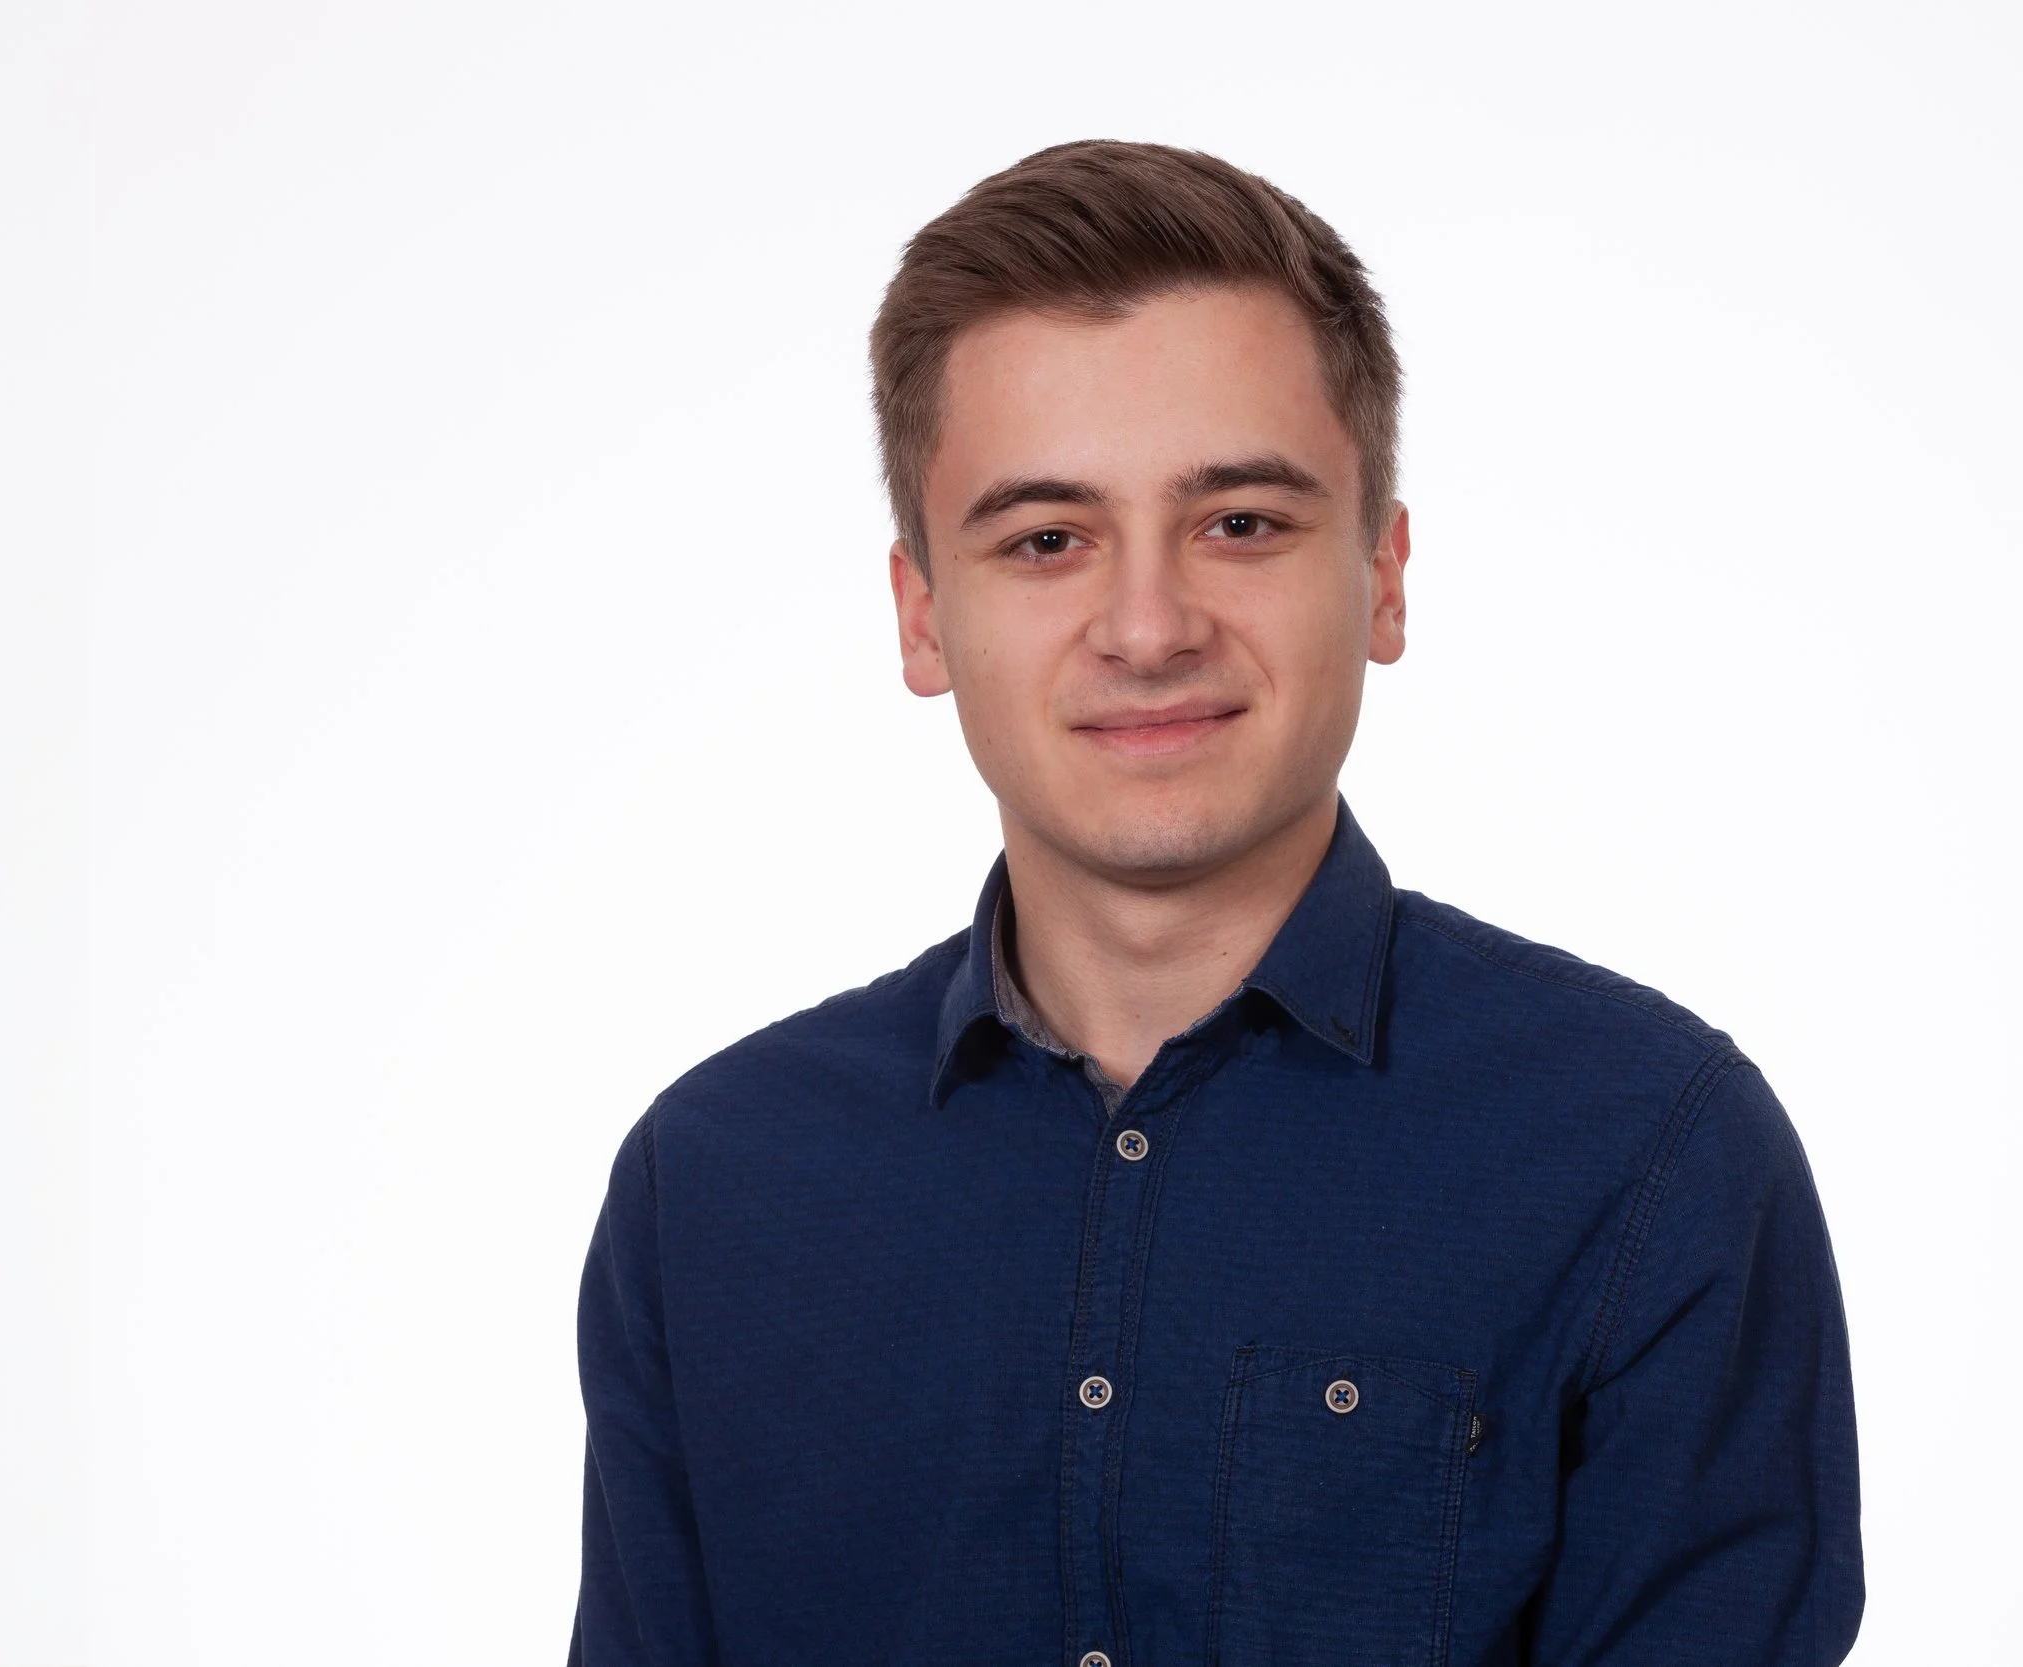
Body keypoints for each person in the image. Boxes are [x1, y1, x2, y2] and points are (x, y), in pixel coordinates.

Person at [571, 139, 1862, 1667]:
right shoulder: (711, 1193)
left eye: (1240, 521)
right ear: (923, 616)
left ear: (1383, 574)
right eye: (1047, 540)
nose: (1147, 627)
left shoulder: (1650, 1153)